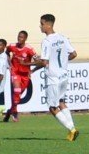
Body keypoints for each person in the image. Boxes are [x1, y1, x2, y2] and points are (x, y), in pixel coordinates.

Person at [34, 14, 80, 142]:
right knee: (61, 102)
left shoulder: (47, 41)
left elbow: (44, 62)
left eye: (41, 24)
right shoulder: (62, 38)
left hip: (53, 78)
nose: (40, 26)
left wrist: (31, 64)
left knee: (53, 108)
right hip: (63, 76)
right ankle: (72, 131)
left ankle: (72, 129)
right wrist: (63, 62)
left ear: (48, 25)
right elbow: (74, 54)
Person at [6, 30, 36, 122]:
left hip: (25, 75)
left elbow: (38, 61)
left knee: (17, 95)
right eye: (19, 37)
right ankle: (15, 113)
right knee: (17, 90)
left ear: (25, 38)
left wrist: (27, 65)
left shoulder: (29, 49)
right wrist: (10, 65)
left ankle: (10, 111)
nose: (19, 39)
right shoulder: (12, 46)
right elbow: (6, 52)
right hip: (15, 72)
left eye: (21, 37)